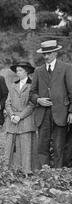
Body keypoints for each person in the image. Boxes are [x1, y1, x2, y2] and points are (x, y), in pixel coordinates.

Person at [29, 40, 72, 168]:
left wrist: (71, 111)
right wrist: (38, 100)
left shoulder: (66, 68)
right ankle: (45, 173)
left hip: (61, 113)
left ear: (55, 53)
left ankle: (58, 174)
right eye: (44, 54)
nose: (46, 57)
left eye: (49, 53)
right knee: (43, 145)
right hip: (43, 114)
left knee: (59, 146)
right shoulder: (38, 71)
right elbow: (31, 93)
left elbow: (71, 92)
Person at [5, 62, 37, 174]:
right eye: (17, 71)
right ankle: (12, 170)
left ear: (27, 71)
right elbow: (7, 103)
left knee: (26, 145)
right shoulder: (13, 85)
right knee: (12, 145)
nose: (18, 73)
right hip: (12, 120)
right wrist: (12, 115)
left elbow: (32, 104)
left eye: (20, 70)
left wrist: (20, 116)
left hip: (26, 120)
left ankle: (27, 170)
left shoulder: (32, 85)